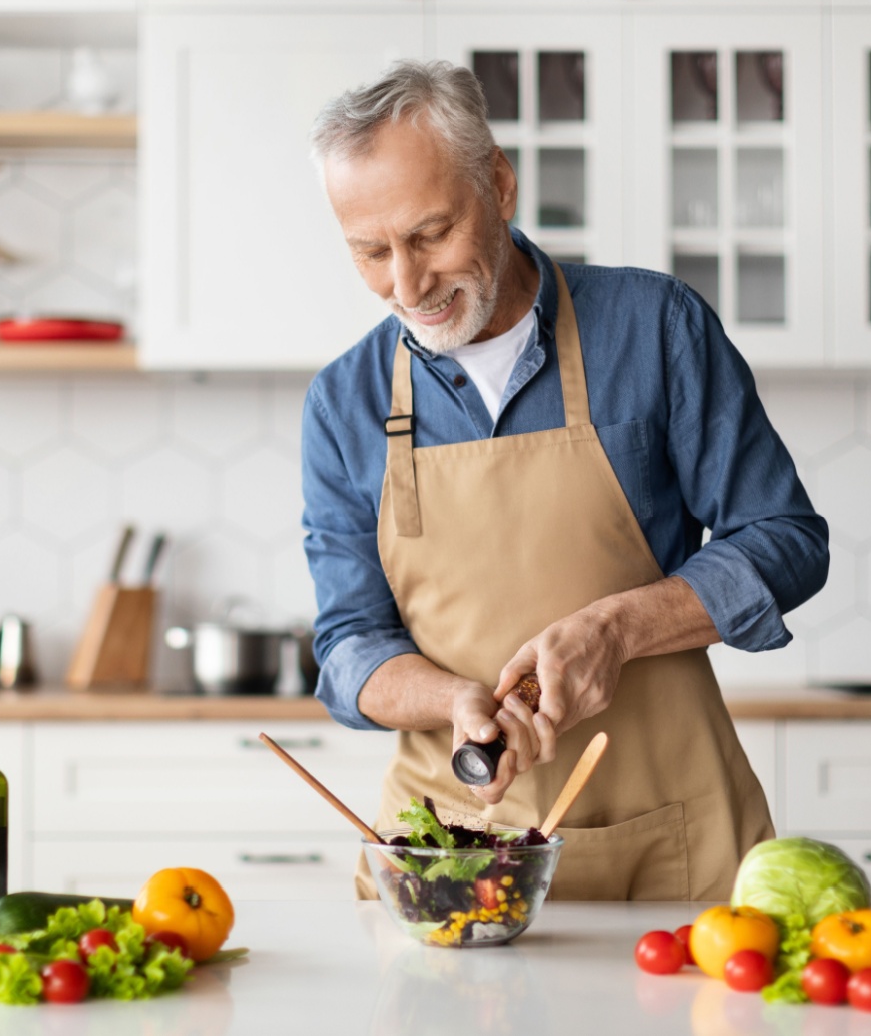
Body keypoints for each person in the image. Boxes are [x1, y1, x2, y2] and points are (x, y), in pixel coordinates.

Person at [301, 60, 828, 901]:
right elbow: (348, 646)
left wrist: (618, 629)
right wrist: (453, 699)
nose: (406, 285)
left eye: (431, 234)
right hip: (453, 854)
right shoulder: (344, 401)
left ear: (499, 184)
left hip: (672, 839)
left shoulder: (654, 328)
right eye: (370, 251)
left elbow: (787, 541)